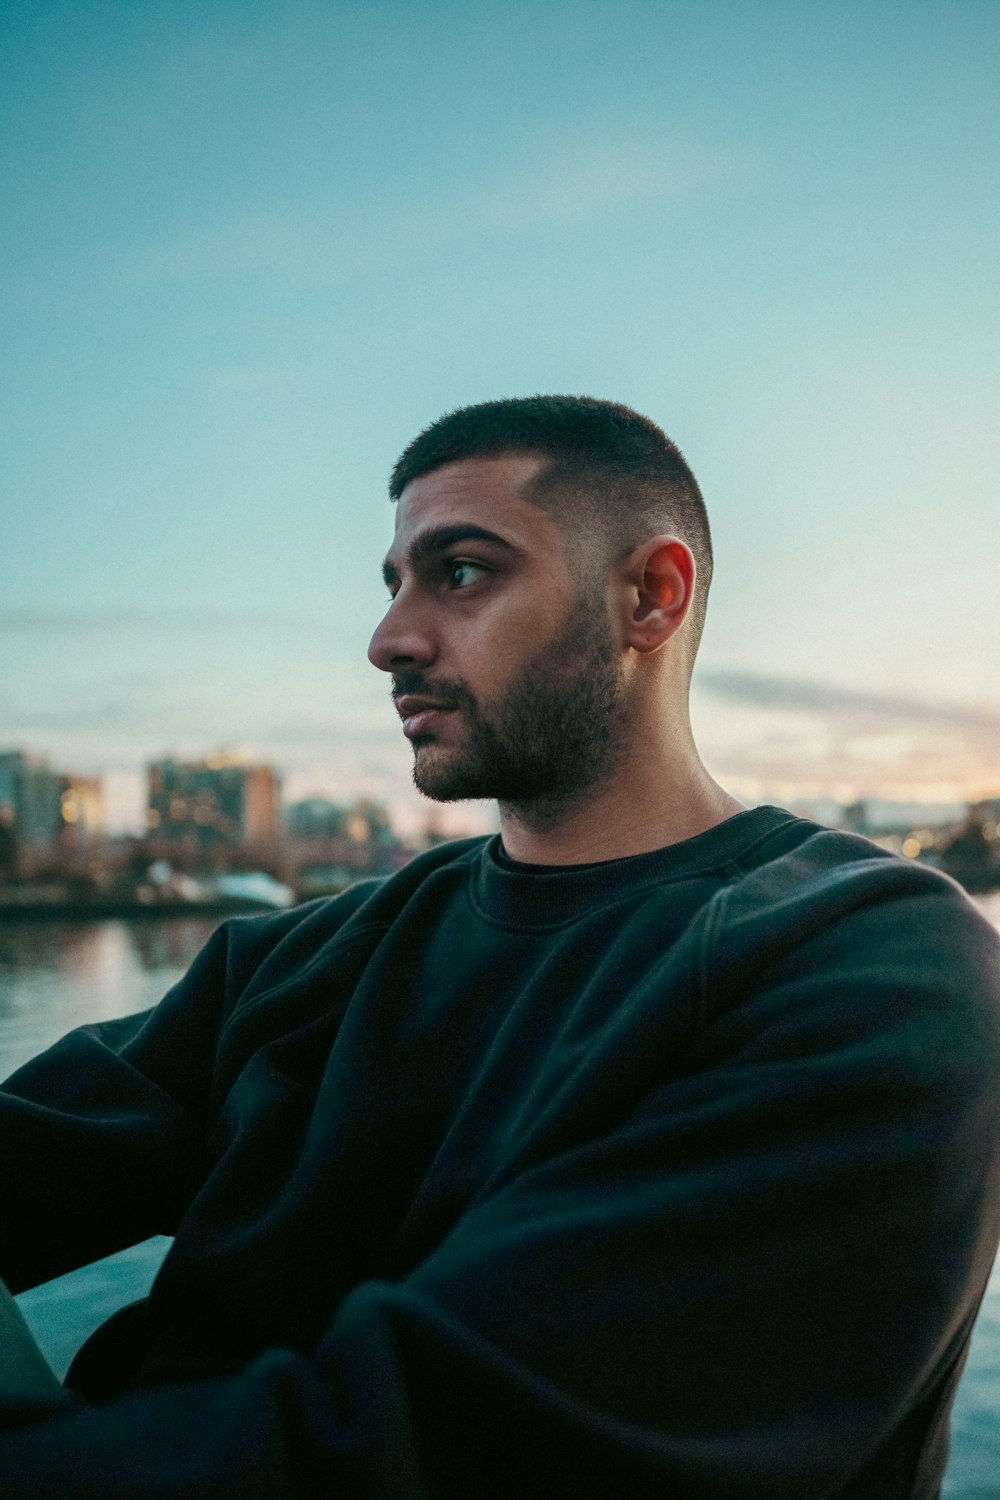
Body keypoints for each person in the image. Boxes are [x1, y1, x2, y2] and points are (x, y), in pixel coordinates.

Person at [1, 395, 999, 1498]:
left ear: (648, 598)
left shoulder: (872, 967)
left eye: (463, 573)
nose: (390, 640)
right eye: (392, 585)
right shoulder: (294, 960)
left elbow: (421, 1453)